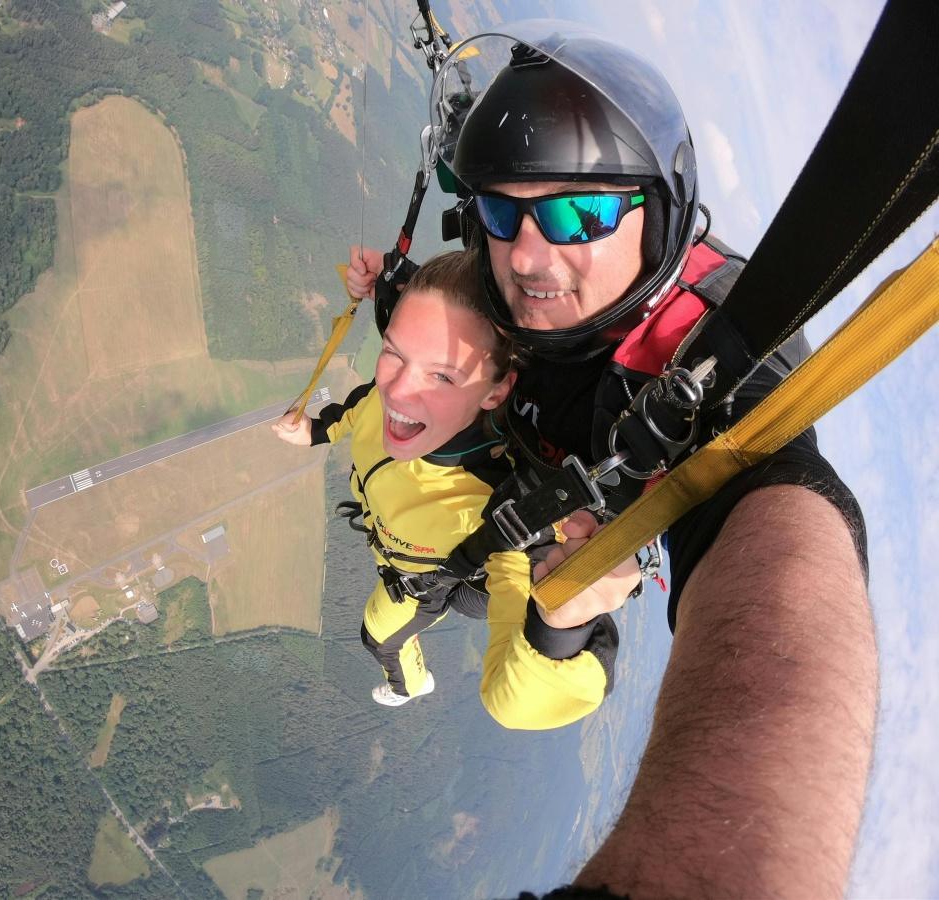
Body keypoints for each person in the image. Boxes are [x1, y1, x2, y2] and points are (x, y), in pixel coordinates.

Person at [346, 22, 873, 898]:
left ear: (657, 211)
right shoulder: (501, 262)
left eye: (576, 211)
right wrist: (392, 298)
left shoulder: (707, 358)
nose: (525, 251)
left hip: (523, 556)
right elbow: (454, 301)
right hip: (459, 496)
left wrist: (561, 617)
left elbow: (782, 543)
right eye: (503, 208)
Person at [274, 250, 631, 726]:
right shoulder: (378, 403)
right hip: (410, 553)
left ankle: (410, 685)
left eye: (442, 375)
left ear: (496, 391)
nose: (398, 391)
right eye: (394, 353)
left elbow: (520, 699)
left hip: (429, 584)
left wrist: (561, 629)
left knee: (378, 638)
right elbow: (356, 409)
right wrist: (316, 430)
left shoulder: (497, 505)